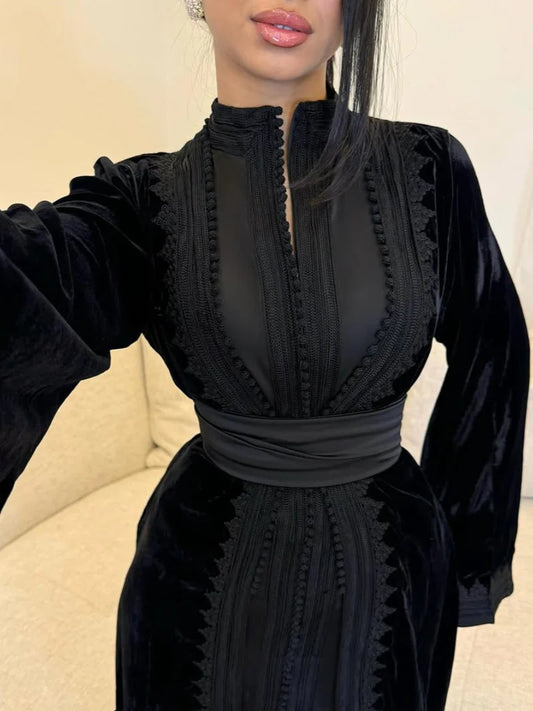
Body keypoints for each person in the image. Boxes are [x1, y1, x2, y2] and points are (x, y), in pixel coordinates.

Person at [0, 0, 529, 709]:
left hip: (390, 575)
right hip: (194, 584)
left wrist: (467, 554)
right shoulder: (141, 202)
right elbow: (33, 285)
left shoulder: (429, 169)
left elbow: (494, 347)